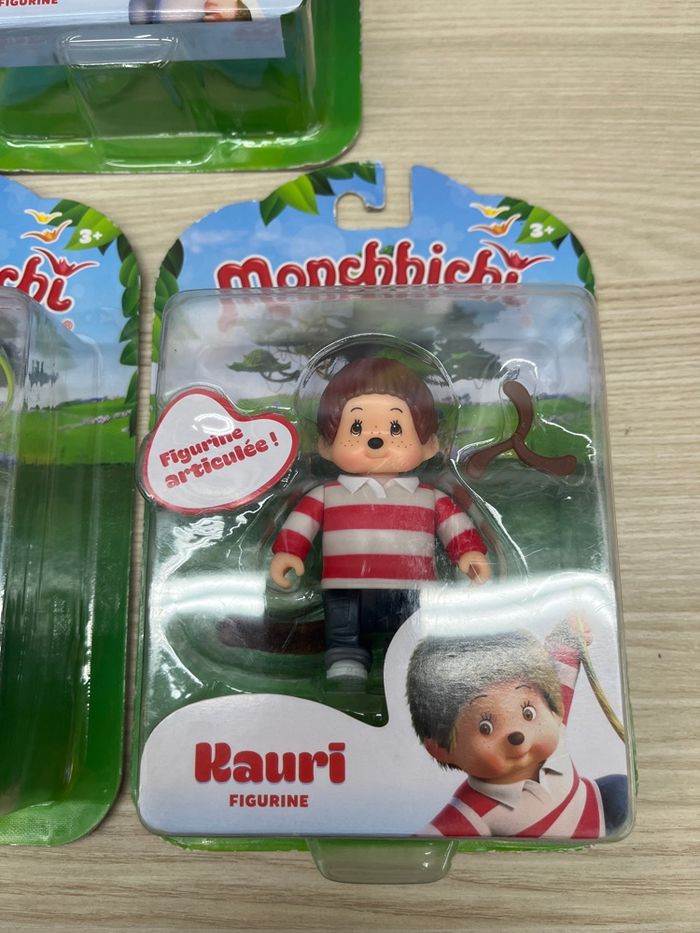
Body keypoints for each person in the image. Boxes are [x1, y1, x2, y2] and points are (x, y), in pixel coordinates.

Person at [269, 357, 491, 681]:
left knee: (411, 631)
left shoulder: (429, 497)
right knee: (344, 629)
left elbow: (454, 526)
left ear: (429, 445)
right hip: (345, 585)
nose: (376, 439)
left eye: (395, 428)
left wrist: (469, 553)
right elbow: (302, 523)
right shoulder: (327, 495)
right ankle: (346, 661)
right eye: (356, 428)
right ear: (326, 445)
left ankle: (411, 664)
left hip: (411, 588)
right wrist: (288, 553)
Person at [406, 622, 629, 838]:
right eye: (486, 728)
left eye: (528, 713)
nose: (517, 735)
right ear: (440, 748)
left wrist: (570, 632)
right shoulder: (472, 812)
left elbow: (561, 666)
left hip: (602, 801)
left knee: (625, 792)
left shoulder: (553, 716)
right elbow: (429, 840)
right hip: (568, 854)